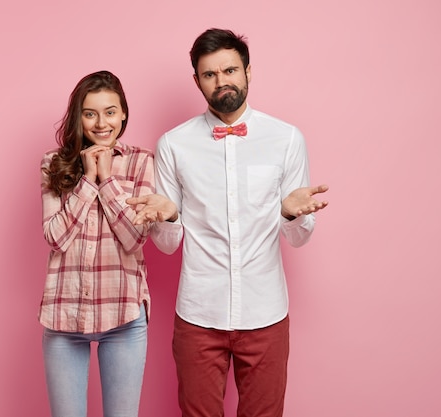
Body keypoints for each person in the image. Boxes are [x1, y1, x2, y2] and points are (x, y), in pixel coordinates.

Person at [126, 28, 329, 416]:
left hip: (266, 312)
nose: (222, 81)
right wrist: (168, 217)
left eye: (231, 70)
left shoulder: (286, 139)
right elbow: (168, 244)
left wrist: (289, 213)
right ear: (197, 81)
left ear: (249, 72)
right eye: (210, 74)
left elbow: (299, 238)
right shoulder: (173, 145)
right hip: (199, 314)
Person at [39, 70, 162, 417]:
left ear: (123, 113)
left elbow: (135, 237)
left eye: (110, 111)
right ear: (79, 115)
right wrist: (87, 180)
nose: (101, 123)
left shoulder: (142, 161)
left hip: (123, 314)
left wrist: (107, 178)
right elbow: (55, 237)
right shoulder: (54, 163)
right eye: (90, 113)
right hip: (64, 315)